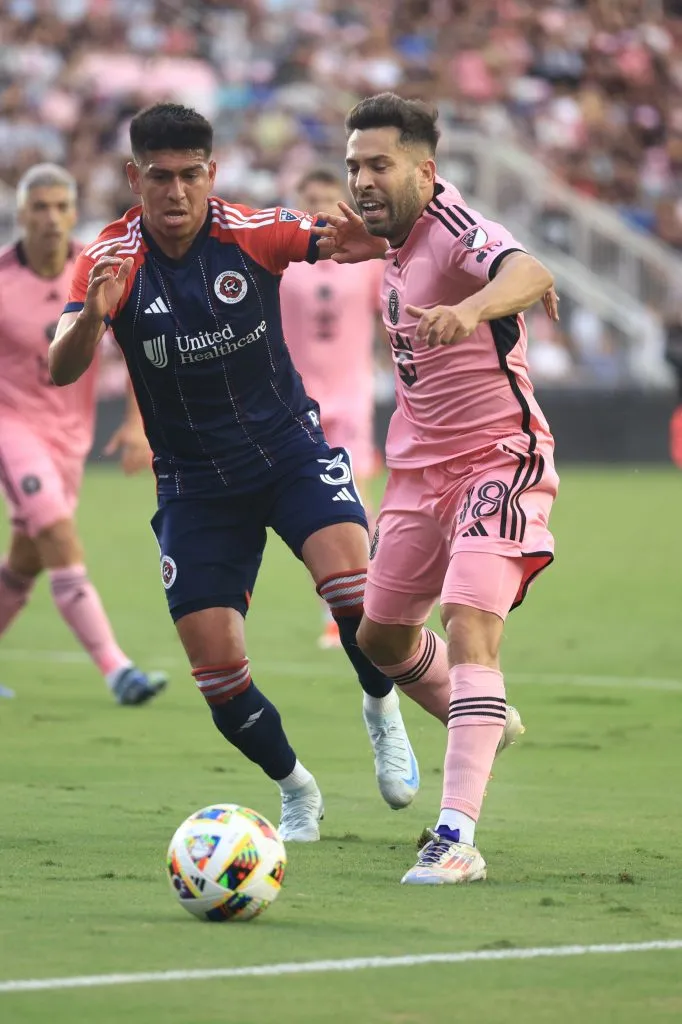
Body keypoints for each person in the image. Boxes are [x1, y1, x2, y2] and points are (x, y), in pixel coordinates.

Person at [48, 103, 425, 841]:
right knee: (217, 672)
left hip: (287, 450)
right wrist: (94, 316)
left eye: (191, 175)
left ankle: (381, 710)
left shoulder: (251, 232)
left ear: (212, 173)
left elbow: (339, 240)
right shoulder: (108, 258)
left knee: (356, 590)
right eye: (160, 178)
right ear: (135, 178)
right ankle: (297, 787)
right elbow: (62, 365)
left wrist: (367, 239)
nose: (177, 193)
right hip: (194, 482)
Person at [317, 92, 559, 883]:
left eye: (379, 164)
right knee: (379, 639)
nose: (362, 179)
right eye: (355, 165)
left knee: (469, 624)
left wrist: (476, 306)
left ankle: (456, 836)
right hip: (418, 473)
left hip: (498, 457)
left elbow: (529, 269)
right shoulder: (392, 240)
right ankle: (476, 709)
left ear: (425, 168)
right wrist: (365, 247)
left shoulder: (455, 228)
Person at [0, 163, 167, 704]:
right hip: (11, 427)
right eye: (38, 207)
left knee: (28, 557)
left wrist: (138, 423)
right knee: (55, 528)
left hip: (70, 437)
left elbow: (139, 350)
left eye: (59, 207)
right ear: (21, 213)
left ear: (74, 212)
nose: (49, 218)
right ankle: (117, 670)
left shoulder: (97, 268)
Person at [280, 168, 383, 649]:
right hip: (299, 402)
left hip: (352, 398)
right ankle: (335, 614)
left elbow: (391, 316)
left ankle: (372, 606)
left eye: (327, 197)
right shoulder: (281, 262)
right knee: (318, 509)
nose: (319, 205)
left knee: (354, 502)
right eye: (310, 197)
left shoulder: (365, 260)